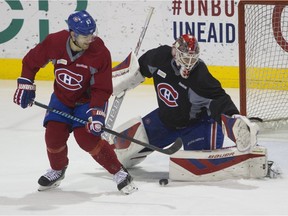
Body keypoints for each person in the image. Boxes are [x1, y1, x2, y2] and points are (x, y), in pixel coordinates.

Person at [111, 34, 278, 180]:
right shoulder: (159, 57)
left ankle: (247, 159)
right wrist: (124, 78)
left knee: (199, 167)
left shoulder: (199, 76)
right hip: (166, 119)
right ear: (175, 51)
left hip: (197, 123)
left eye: (193, 57)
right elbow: (140, 67)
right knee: (121, 154)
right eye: (185, 56)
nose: (189, 62)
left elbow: (219, 99)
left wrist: (234, 118)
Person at [13, 10, 137, 194]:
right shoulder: (54, 42)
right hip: (62, 98)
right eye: (85, 36)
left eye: (92, 34)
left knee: (87, 139)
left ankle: (119, 172)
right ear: (72, 34)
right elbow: (31, 61)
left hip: (88, 102)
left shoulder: (100, 52)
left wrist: (96, 113)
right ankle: (57, 170)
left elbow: (101, 88)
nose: (90, 39)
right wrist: (26, 83)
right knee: (53, 137)